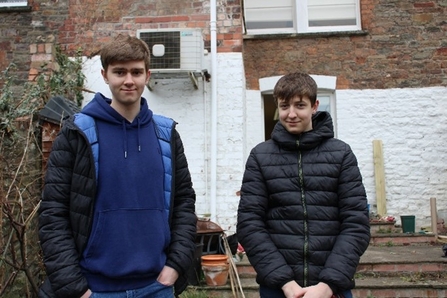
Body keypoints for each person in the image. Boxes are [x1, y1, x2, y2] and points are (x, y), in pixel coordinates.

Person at [38, 34, 197, 298]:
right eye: (119, 72)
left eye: (136, 72)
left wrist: (176, 264)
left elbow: (183, 203)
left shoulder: (166, 133)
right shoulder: (77, 133)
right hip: (95, 289)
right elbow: (53, 213)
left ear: (148, 75)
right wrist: (75, 287)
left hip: (157, 286)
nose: (128, 80)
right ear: (105, 75)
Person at [236, 72, 370, 298]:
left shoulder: (341, 154)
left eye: (300, 105)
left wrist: (327, 285)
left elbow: (356, 224)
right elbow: (250, 225)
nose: (291, 114)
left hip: (332, 288)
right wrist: (286, 283)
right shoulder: (260, 156)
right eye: (284, 106)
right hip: (279, 289)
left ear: (314, 106)